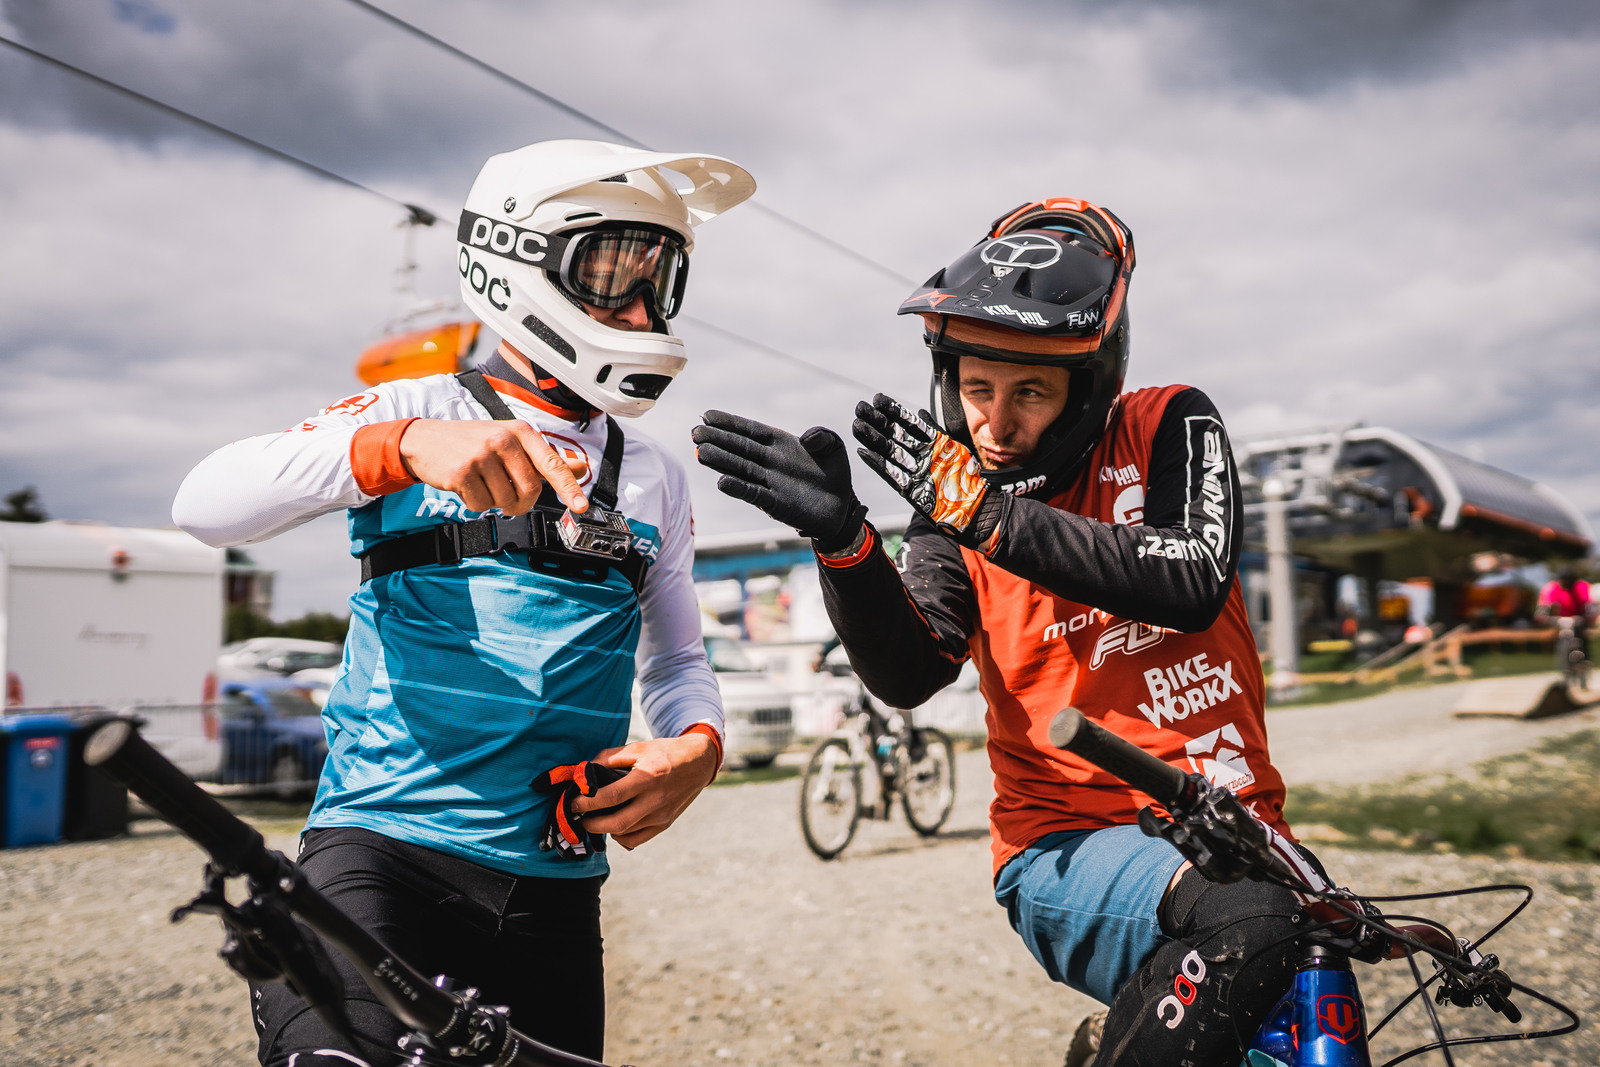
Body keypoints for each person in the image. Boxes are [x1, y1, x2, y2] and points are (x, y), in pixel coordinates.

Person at [693, 197, 1316, 1066]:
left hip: (1239, 831)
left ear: (1088, 386)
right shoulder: (950, 511)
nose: (994, 422)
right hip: (1066, 842)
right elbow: (912, 671)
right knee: (1256, 923)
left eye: (1030, 392)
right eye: (976, 388)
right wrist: (844, 544)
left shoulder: (1168, 423)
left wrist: (991, 517)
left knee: (1314, 1005)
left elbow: (1192, 578)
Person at [174, 139, 755, 1066]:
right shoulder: (413, 408)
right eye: (613, 272)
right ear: (516, 263)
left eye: (660, 278)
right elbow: (204, 504)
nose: (644, 310)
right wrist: (403, 446)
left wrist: (697, 750)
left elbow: (678, 659)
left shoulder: (655, 475)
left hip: (554, 894)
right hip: (382, 857)